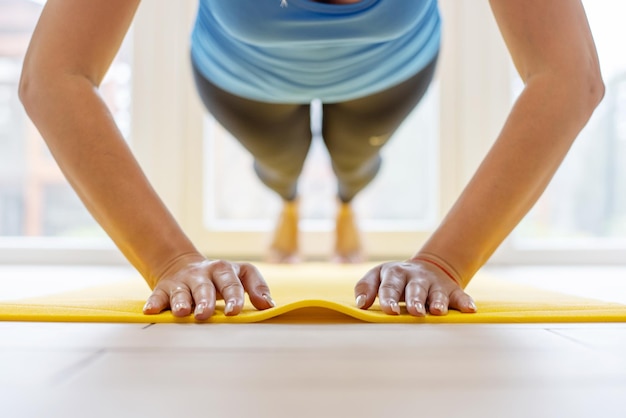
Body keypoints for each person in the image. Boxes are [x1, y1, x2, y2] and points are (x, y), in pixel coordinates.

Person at [19, 0, 603, 320]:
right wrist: (169, 261)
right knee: (279, 163)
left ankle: (346, 198)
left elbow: (568, 77)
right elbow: (56, 76)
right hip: (243, 74)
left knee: (353, 161)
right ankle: (289, 198)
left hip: (389, 68)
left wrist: (443, 264)